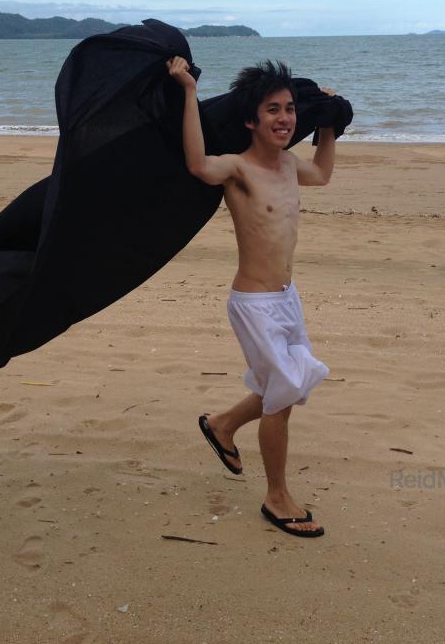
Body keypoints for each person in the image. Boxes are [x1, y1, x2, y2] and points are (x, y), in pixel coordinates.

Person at [166, 56, 336, 538]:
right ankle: (276, 497)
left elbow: (322, 175)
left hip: (287, 297)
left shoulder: (288, 165)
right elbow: (198, 165)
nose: (284, 118)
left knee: (285, 383)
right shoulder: (238, 168)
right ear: (250, 120)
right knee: (282, 396)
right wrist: (187, 92)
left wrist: (328, 125)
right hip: (254, 304)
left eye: (290, 109)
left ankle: (221, 426)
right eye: (272, 110)